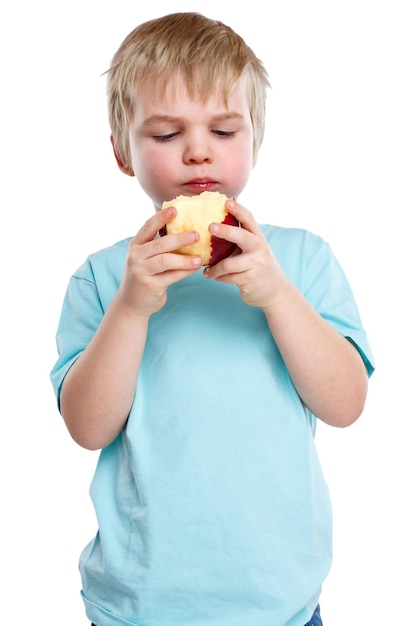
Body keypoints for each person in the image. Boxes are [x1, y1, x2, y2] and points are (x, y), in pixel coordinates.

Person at [50, 12, 374, 626]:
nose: (198, 149)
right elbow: (87, 428)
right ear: (123, 153)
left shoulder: (301, 260)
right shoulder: (101, 278)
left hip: (280, 602)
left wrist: (278, 296)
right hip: (139, 604)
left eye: (223, 130)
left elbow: (347, 405)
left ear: (254, 139)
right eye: (167, 134)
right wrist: (130, 308)